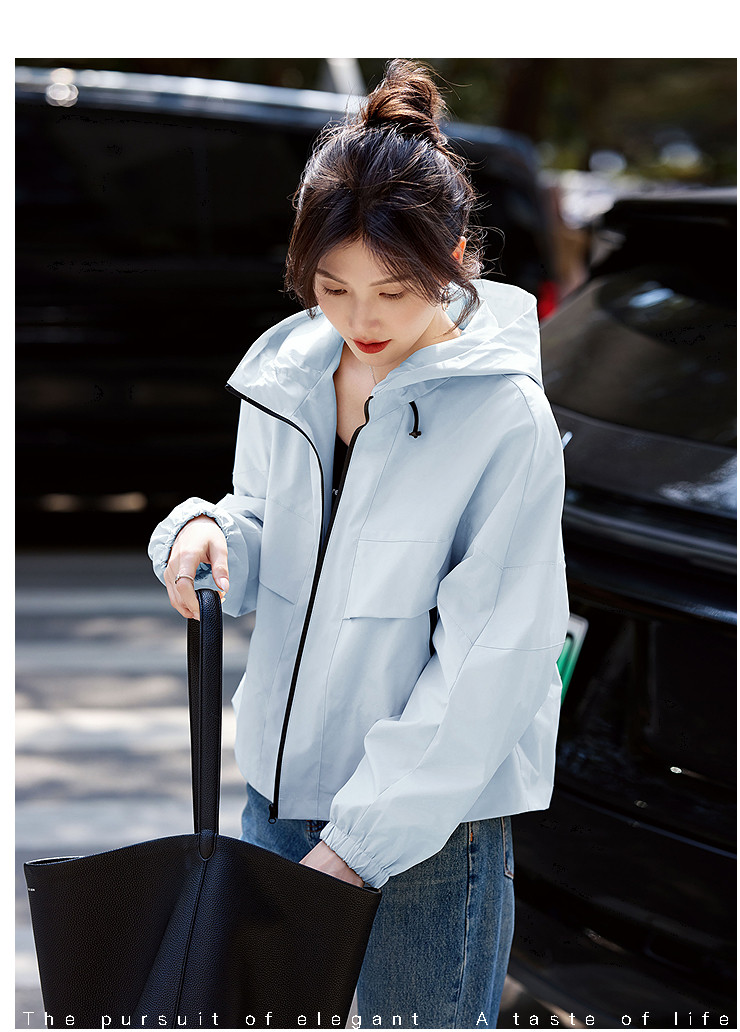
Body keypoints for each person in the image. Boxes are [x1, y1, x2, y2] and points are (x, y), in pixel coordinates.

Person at [148, 59, 569, 1030]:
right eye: (332, 286)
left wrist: (359, 847)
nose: (360, 320)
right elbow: (271, 527)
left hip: (428, 836)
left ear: (455, 258)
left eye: (394, 289)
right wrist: (208, 530)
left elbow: (493, 664)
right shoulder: (289, 372)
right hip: (275, 798)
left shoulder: (503, 418)